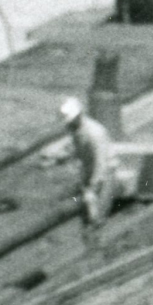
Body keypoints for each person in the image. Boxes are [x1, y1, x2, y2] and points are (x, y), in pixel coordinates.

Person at [59, 96, 118, 233]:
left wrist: (93, 186)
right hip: (90, 170)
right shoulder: (77, 131)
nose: (68, 125)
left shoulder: (95, 133)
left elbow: (101, 163)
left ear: (78, 116)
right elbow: (79, 150)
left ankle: (98, 240)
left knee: (96, 215)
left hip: (105, 173)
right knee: (85, 209)